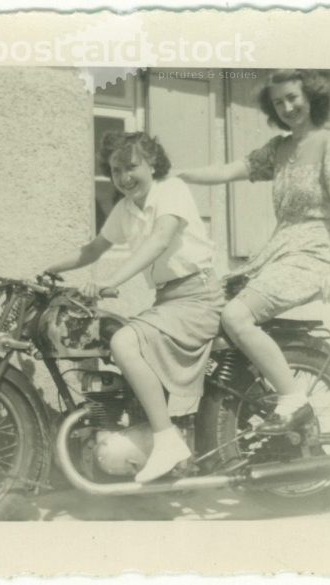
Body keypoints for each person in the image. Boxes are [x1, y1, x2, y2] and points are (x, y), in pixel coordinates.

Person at [45, 131, 224, 482]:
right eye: (115, 171)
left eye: (131, 167)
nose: (124, 178)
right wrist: (49, 269)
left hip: (198, 296)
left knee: (124, 341)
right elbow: (94, 248)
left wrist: (112, 280)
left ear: (152, 163)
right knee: (116, 336)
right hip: (169, 300)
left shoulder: (171, 190)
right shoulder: (126, 209)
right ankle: (149, 431)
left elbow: (159, 241)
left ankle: (167, 441)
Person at [178, 69, 330, 434]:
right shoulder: (279, 148)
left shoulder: (329, 144)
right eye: (278, 102)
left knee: (237, 316)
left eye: (293, 98)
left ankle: (293, 399)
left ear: (311, 97)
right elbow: (227, 170)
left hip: (310, 254)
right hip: (277, 249)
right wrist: (176, 176)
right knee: (206, 305)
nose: (287, 107)